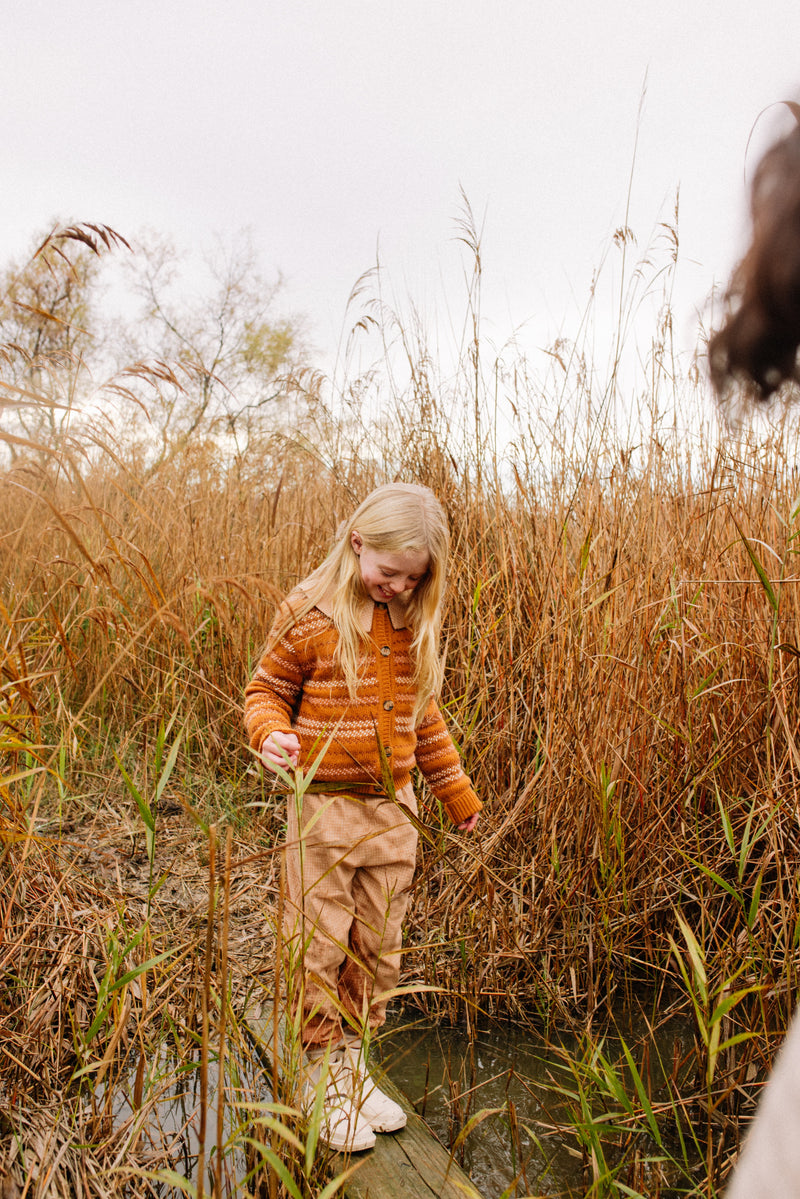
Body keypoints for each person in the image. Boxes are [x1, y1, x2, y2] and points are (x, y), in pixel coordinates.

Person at [244, 482, 482, 1153]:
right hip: (322, 808)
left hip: (392, 811)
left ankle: (352, 1066)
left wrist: (454, 792)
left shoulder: (410, 622)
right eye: (389, 571)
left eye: (414, 578)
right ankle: (320, 1074)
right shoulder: (312, 612)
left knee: (378, 945)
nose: (398, 586)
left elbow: (423, 716)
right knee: (319, 941)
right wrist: (271, 736)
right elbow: (266, 690)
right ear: (357, 542)